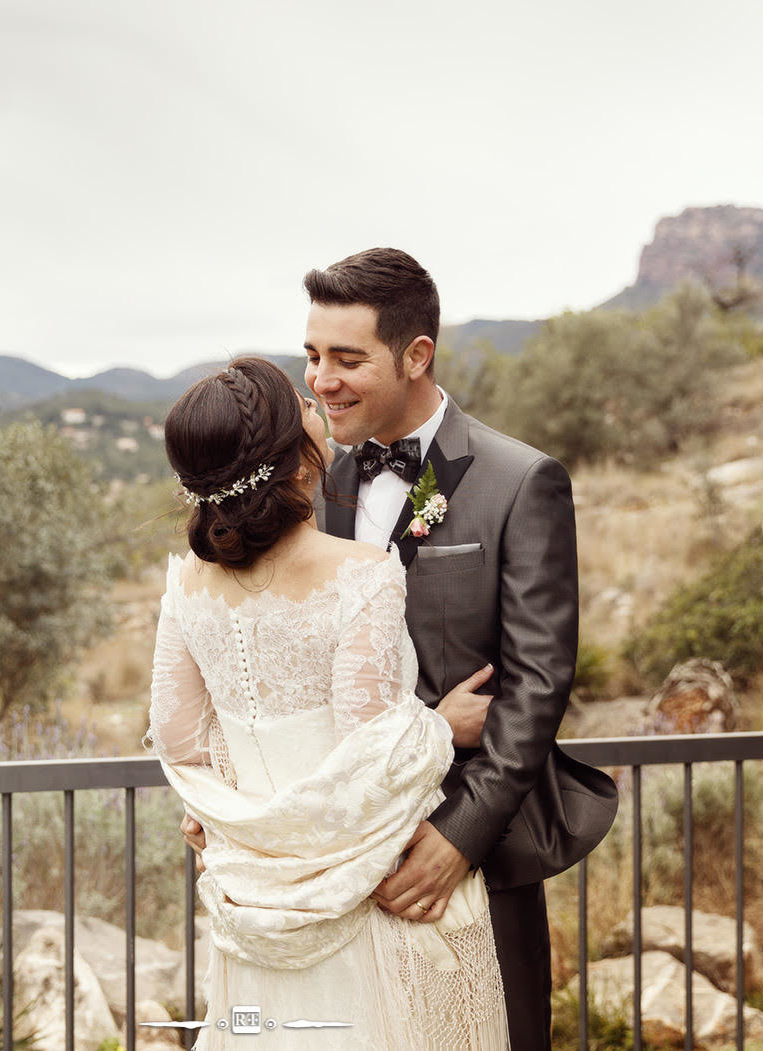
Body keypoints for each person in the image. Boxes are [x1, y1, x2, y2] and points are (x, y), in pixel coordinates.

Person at [183, 248, 619, 1050]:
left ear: (417, 355)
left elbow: (535, 686)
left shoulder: (521, 482)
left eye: (348, 358)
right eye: (312, 357)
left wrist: (458, 838)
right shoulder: (311, 485)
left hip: (474, 854)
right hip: (334, 870)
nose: (321, 379)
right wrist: (231, 793)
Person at [146, 356, 511, 1049]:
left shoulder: (185, 587)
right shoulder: (362, 575)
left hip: (252, 901)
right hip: (355, 905)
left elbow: (180, 744)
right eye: (303, 406)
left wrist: (231, 821)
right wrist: (440, 725)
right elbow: (371, 753)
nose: (318, 401)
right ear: (292, 454)